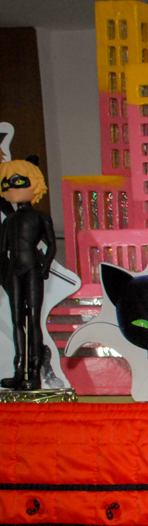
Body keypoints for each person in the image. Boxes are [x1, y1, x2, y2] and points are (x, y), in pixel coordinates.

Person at [0, 157, 54, 390]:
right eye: (4, 184)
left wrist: (45, 266)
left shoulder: (41, 217)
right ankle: (18, 370)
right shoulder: (9, 220)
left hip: (32, 268)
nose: (9, 188)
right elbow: (2, 251)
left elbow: (52, 244)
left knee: (33, 319)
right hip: (15, 270)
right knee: (16, 321)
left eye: (15, 181)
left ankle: (33, 372)